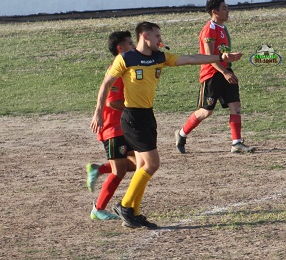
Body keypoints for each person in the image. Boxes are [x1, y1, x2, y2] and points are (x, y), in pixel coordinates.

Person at [90, 21, 243, 229]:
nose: (160, 40)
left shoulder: (160, 57)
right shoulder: (125, 59)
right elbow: (106, 84)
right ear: (144, 36)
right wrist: (98, 112)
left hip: (147, 116)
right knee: (152, 164)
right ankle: (125, 206)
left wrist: (221, 57)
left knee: (143, 166)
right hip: (132, 117)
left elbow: (191, 59)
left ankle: (132, 212)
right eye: (157, 36)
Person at [174, 0, 256, 155]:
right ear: (215, 12)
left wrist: (230, 58)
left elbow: (220, 54)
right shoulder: (209, 29)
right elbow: (209, 57)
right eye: (224, 8)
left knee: (236, 106)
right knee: (206, 111)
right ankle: (182, 134)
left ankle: (236, 143)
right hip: (212, 75)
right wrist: (224, 72)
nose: (227, 11)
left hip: (226, 72)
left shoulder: (222, 28)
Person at [86, 31, 137, 221]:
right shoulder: (115, 70)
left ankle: (98, 169)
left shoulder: (126, 69)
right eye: (130, 44)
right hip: (113, 128)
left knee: (141, 164)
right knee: (120, 171)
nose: (134, 46)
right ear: (120, 48)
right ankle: (98, 209)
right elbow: (112, 102)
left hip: (124, 127)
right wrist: (134, 110)